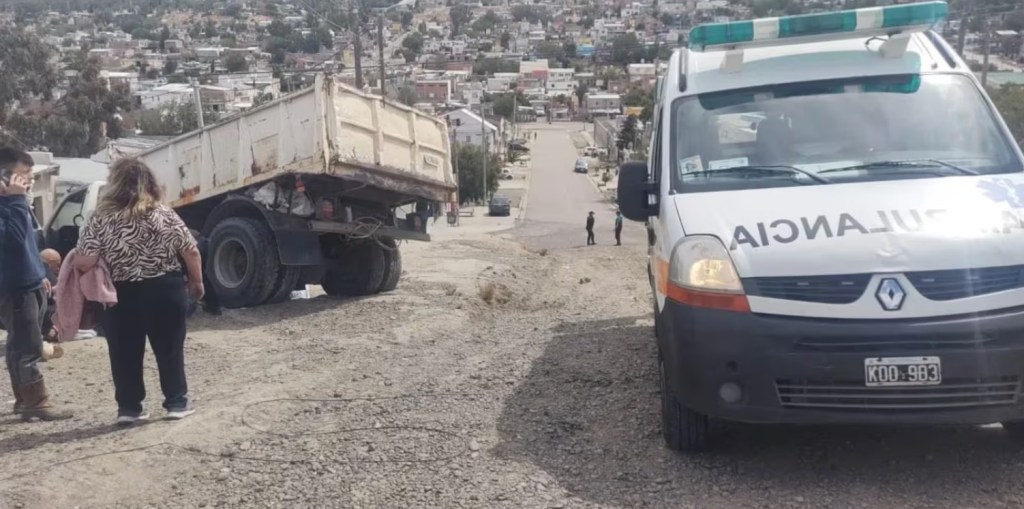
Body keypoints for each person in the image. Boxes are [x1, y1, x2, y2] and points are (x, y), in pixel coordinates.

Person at [74, 158, 204, 425]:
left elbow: (85, 260)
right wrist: (197, 282)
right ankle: (177, 402)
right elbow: (190, 250)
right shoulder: (164, 213)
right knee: (169, 348)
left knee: (124, 352)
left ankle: (130, 408)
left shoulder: (100, 218)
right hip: (165, 290)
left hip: (121, 294)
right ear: (150, 183)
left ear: (114, 185)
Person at [0, 147, 72, 421]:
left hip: (28, 282)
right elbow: (13, 241)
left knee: (19, 343)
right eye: (23, 174)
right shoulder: (12, 205)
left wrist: (39, 271)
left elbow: (28, 246)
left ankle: (23, 400)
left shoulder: (16, 204)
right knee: (28, 347)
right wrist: (17, 202)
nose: (28, 180)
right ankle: (36, 402)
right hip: (14, 289)